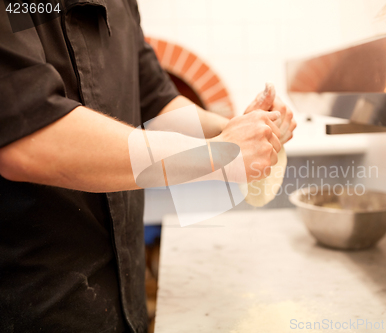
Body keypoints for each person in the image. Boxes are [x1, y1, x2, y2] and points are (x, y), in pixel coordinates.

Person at [0, 0, 296, 331]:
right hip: (35, 304)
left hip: (123, 297)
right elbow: (28, 139)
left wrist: (241, 129)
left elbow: (157, 103)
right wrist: (219, 154)